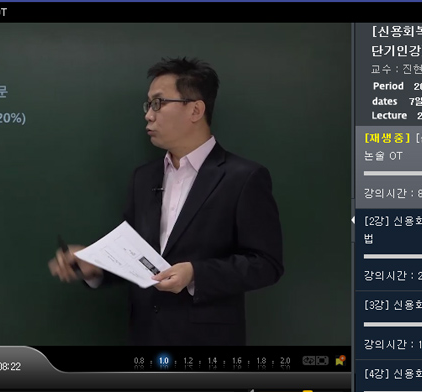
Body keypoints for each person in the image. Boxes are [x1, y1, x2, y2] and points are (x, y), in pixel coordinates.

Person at [48, 57, 283, 346]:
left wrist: (195, 274)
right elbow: (134, 256)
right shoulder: (143, 178)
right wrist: (95, 265)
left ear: (195, 110)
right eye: (148, 105)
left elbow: (266, 264)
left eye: (158, 103)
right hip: (146, 337)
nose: (149, 115)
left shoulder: (243, 177)